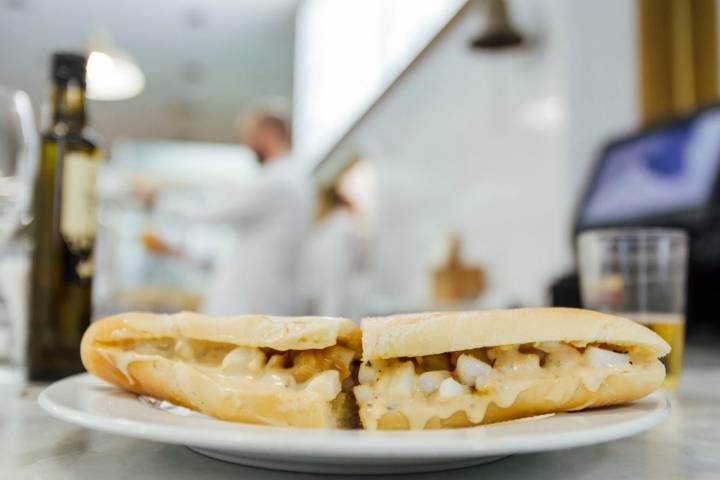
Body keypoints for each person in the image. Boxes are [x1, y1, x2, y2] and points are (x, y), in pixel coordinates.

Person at [154, 110, 312, 315]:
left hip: (256, 307)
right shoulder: (291, 179)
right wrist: (174, 251)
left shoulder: (278, 180)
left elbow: (213, 212)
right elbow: (234, 256)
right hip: (255, 304)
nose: (246, 144)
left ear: (269, 133)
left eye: (250, 136)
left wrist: (158, 200)